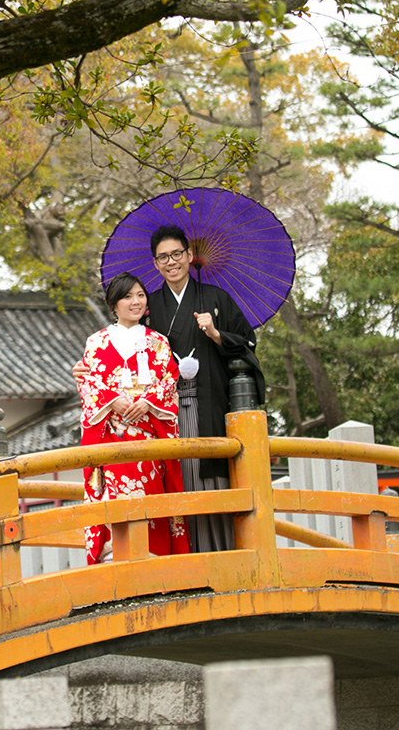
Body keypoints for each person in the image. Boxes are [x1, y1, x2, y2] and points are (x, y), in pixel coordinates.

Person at [145, 224, 265, 552]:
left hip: (209, 402)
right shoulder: (150, 306)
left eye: (176, 255)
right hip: (168, 407)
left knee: (211, 474)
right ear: (156, 263)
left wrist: (215, 334)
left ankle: (223, 551)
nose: (171, 262)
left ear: (189, 255)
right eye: (163, 258)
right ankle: (184, 555)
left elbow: (247, 343)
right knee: (177, 475)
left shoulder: (215, 298)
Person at [77, 272, 191, 565]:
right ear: (114, 304)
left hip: (148, 438)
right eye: (128, 296)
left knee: (150, 496)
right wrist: (112, 401)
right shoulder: (97, 342)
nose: (136, 302)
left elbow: (169, 379)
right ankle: (115, 559)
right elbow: (87, 382)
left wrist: (148, 403)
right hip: (111, 436)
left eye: (140, 295)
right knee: (113, 498)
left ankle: (155, 559)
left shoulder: (158, 342)